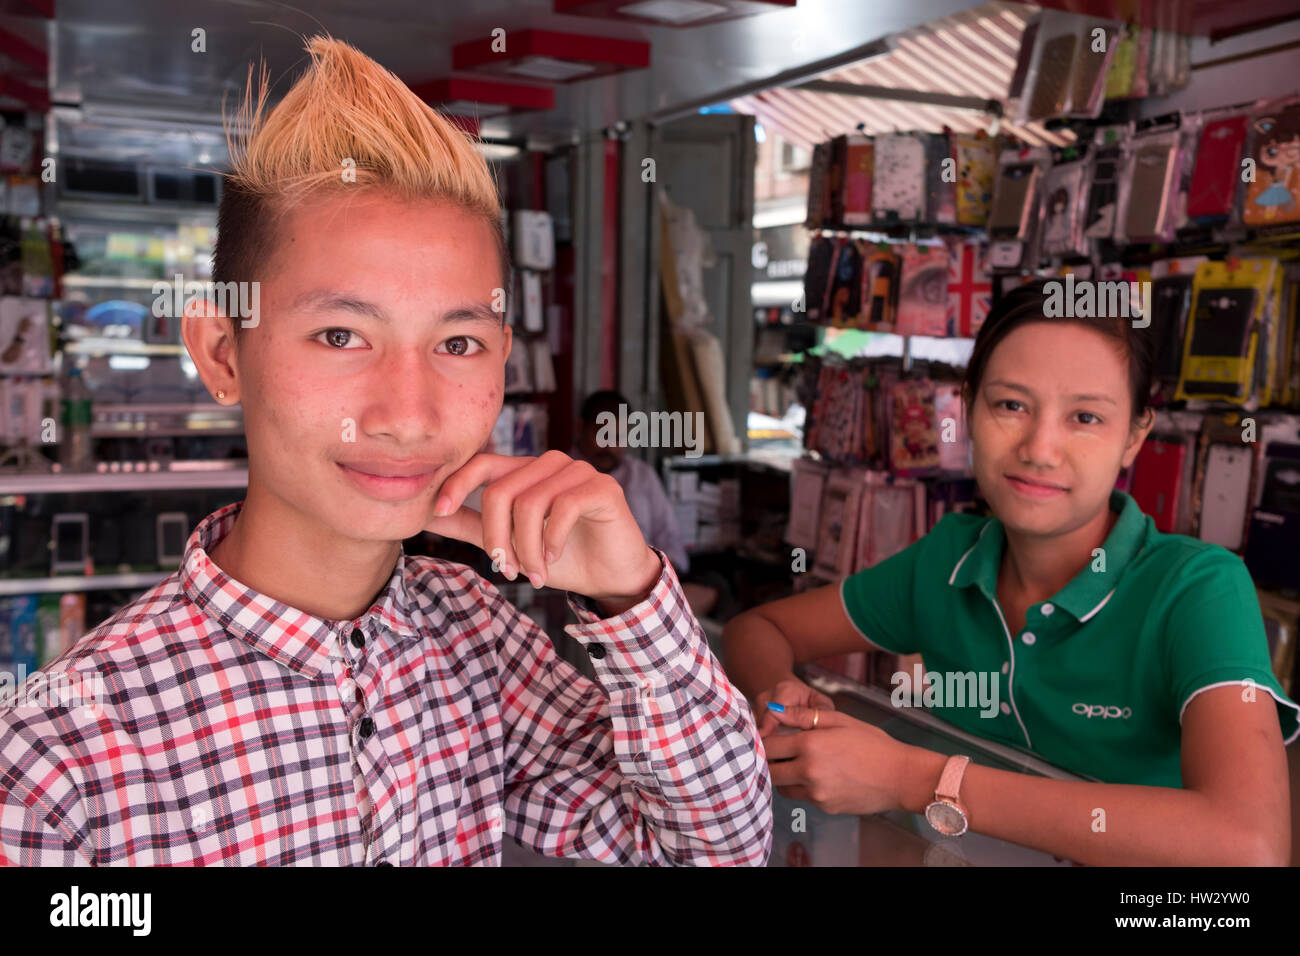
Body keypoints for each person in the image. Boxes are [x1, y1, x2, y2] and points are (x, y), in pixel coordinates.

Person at [0, 36, 770, 866]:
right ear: (223, 351)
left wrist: (630, 598)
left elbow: (712, 849)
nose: (409, 416)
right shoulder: (61, 759)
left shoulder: (474, 634)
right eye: (341, 334)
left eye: (459, 344)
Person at [722, 279, 1297, 866]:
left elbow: (1249, 848)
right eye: (1011, 405)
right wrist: (782, 702)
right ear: (968, 408)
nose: (1040, 448)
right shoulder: (948, 559)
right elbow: (758, 629)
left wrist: (913, 778)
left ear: (1134, 437)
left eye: (1086, 417)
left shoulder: (1197, 588)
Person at [571, 390, 690, 573]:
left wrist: (657, 576)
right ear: (580, 428)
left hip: (645, 581)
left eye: (618, 437)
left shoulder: (642, 476)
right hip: (583, 582)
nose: (609, 446)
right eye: (602, 435)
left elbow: (670, 539)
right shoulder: (561, 473)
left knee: (715, 584)